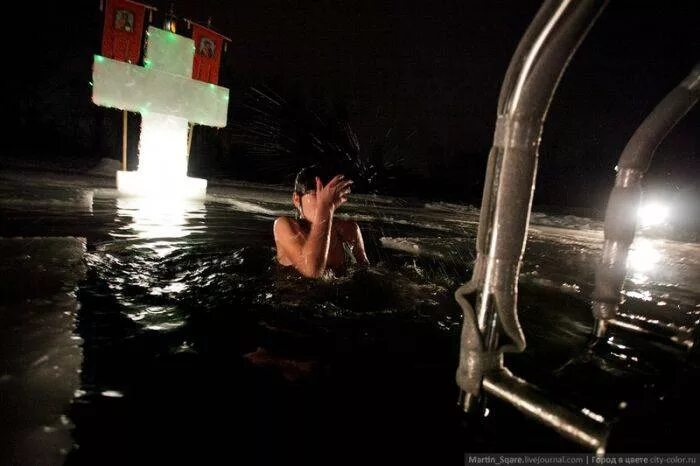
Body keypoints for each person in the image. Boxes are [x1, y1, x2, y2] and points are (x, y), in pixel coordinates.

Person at [274, 166, 370, 278]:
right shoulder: (284, 226)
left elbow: (365, 274)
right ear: (296, 199)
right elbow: (311, 271)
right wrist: (325, 208)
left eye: (326, 197)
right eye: (316, 195)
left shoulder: (348, 230)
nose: (322, 202)